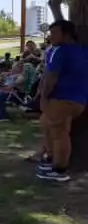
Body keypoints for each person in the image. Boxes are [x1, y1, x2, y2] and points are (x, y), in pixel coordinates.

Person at [34, 20, 88, 182]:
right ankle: (51, 158)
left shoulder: (60, 51)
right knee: (46, 123)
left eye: (55, 33)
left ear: (66, 34)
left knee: (59, 133)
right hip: (78, 99)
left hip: (62, 98)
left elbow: (51, 76)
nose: (51, 36)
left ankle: (60, 169)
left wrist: (43, 96)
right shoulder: (82, 51)